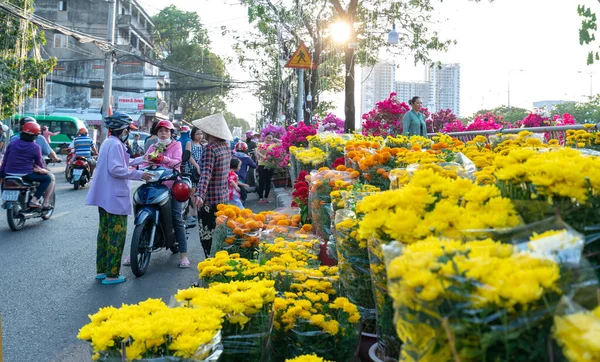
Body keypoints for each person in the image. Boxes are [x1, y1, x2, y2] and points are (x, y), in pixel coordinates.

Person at [86, 112, 153, 285]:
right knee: (116, 236)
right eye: (127, 130)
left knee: (104, 234)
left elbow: (123, 163)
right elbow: (116, 169)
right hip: (115, 198)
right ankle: (112, 275)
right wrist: (140, 174)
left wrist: (143, 159)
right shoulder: (116, 145)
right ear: (123, 130)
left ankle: (102, 271)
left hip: (105, 197)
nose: (128, 133)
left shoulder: (109, 142)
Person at [123, 120, 189, 268]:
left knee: (177, 218)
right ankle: (134, 249)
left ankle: (183, 254)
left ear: (171, 133)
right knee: (140, 207)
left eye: (166, 131)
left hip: (170, 185)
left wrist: (163, 159)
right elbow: (145, 162)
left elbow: (177, 162)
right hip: (153, 184)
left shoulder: (176, 145)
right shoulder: (153, 146)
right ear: (157, 133)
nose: (163, 133)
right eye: (160, 131)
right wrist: (137, 167)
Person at [192, 113, 233, 258]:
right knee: (220, 237)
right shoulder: (226, 147)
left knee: (207, 238)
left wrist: (199, 194)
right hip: (223, 200)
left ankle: (210, 267)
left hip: (209, 202)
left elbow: (206, 174)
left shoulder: (210, 149)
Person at [0, 122, 53, 209]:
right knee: (47, 178)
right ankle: (34, 200)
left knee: (5, 182)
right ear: (36, 135)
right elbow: (39, 163)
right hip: (26, 174)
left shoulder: (12, 144)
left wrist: (1, 173)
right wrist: (42, 169)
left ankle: (5, 200)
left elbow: (5, 160)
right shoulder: (35, 147)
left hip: (8, 173)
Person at [255, 132, 281, 204]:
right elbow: (258, 152)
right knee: (261, 181)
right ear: (265, 137)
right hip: (262, 165)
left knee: (268, 181)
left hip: (270, 165)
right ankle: (260, 197)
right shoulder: (260, 144)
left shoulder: (273, 145)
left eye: (270, 138)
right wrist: (263, 157)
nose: (269, 139)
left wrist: (275, 139)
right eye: (268, 137)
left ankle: (266, 197)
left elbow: (282, 143)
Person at [185, 126, 204, 224]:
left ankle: (196, 213)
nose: (200, 136)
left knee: (197, 192)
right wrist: (197, 166)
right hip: (191, 170)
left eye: (201, 133)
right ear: (193, 134)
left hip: (199, 171)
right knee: (190, 192)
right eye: (198, 134)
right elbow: (189, 156)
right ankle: (188, 214)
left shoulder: (202, 145)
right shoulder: (189, 143)